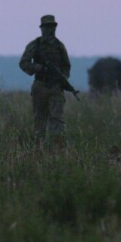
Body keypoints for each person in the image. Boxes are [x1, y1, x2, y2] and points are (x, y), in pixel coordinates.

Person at [19, 14, 71, 148]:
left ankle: (57, 149)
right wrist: (38, 68)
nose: (50, 29)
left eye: (52, 26)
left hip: (55, 87)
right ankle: (38, 149)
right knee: (39, 119)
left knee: (57, 119)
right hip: (40, 86)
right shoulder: (35, 45)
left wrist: (62, 79)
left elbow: (66, 66)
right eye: (47, 26)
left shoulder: (60, 46)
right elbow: (24, 63)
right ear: (42, 28)